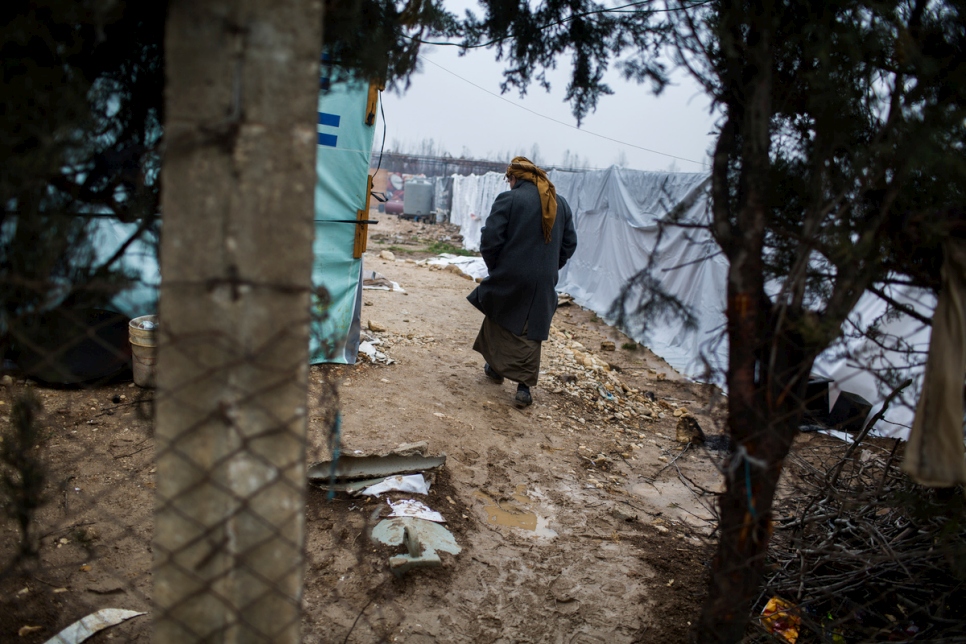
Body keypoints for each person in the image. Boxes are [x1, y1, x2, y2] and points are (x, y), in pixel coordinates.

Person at [467, 156, 578, 407]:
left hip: (511, 274)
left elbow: (491, 239)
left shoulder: (510, 199)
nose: (509, 184)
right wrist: (550, 267)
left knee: (499, 315)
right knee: (531, 330)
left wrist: (497, 267)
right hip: (543, 280)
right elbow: (570, 243)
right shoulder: (560, 203)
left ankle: (496, 369)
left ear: (515, 178)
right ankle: (523, 388)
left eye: (509, 180)